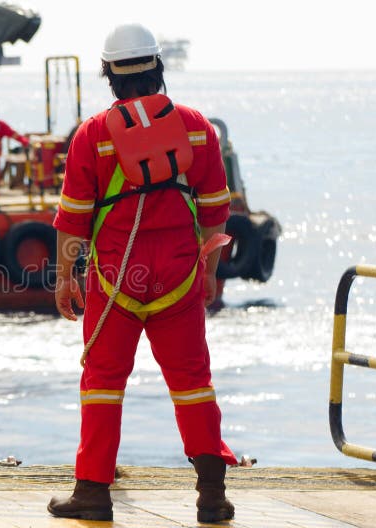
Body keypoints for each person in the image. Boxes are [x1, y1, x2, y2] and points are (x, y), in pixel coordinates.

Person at [47, 23, 237, 523]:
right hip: (178, 275)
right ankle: (212, 494)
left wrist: (66, 277)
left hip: (115, 281)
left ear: (109, 74)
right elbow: (216, 212)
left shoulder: (92, 135)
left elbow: (72, 218)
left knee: (104, 382)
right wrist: (209, 273)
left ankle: (92, 492)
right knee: (193, 382)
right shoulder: (197, 126)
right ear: (158, 68)